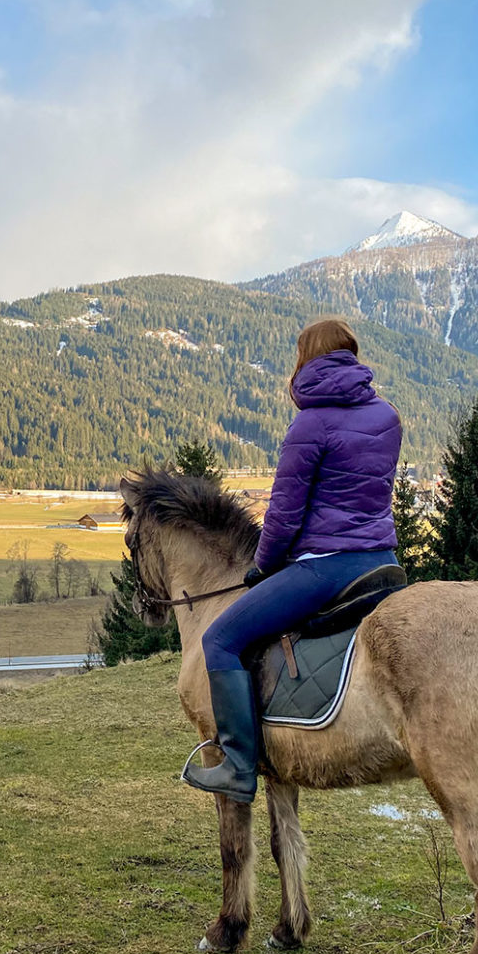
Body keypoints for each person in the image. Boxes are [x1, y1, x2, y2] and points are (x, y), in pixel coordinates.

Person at [182, 318, 402, 803]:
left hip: (326, 567)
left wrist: (263, 565)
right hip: (381, 562)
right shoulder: (386, 414)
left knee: (221, 639)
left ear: (306, 358)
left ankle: (238, 767)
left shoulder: (311, 423)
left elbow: (283, 513)